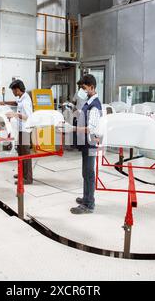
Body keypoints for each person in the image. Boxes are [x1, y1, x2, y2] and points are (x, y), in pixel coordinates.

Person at [71, 74, 102, 214]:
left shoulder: (95, 105)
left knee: (89, 173)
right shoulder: (89, 102)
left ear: (92, 87)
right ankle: (86, 197)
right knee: (85, 172)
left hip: (91, 145)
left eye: (84, 88)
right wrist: (77, 112)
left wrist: (72, 128)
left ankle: (89, 205)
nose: (82, 90)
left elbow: (91, 128)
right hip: (86, 144)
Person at [0, 79, 33, 185]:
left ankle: (28, 178)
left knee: (26, 154)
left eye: (13, 91)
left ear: (17, 89)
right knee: (21, 152)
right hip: (21, 130)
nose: (13, 93)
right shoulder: (21, 98)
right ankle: (22, 173)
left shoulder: (26, 100)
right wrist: (4, 103)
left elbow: (29, 117)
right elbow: (15, 102)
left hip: (25, 131)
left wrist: (15, 115)